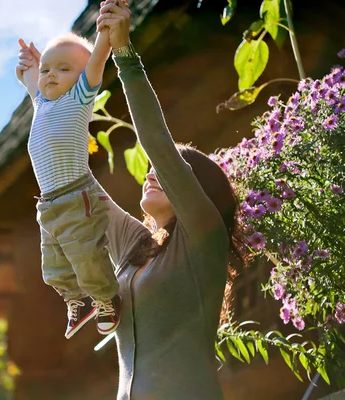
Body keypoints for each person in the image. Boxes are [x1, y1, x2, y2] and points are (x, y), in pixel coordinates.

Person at [17, 0, 244, 398]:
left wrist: (122, 53)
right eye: (153, 170)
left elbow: (156, 142)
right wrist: (41, 83)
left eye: (175, 170)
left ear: (199, 194)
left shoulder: (203, 240)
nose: (153, 172)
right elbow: (74, 186)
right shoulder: (137, 248)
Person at [15, 25, 122, 340]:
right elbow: (30, 76)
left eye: (64, 69)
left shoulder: (79, 98)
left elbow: (98, 60)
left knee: (83, 254)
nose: (50, 75)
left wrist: (105, 32)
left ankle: (106, 299)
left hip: (77, 196)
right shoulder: (42, 103)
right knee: (54, 265)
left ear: (81, 77)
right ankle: (77, 301)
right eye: (47, 69)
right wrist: (29, 63)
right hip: (47, 204)